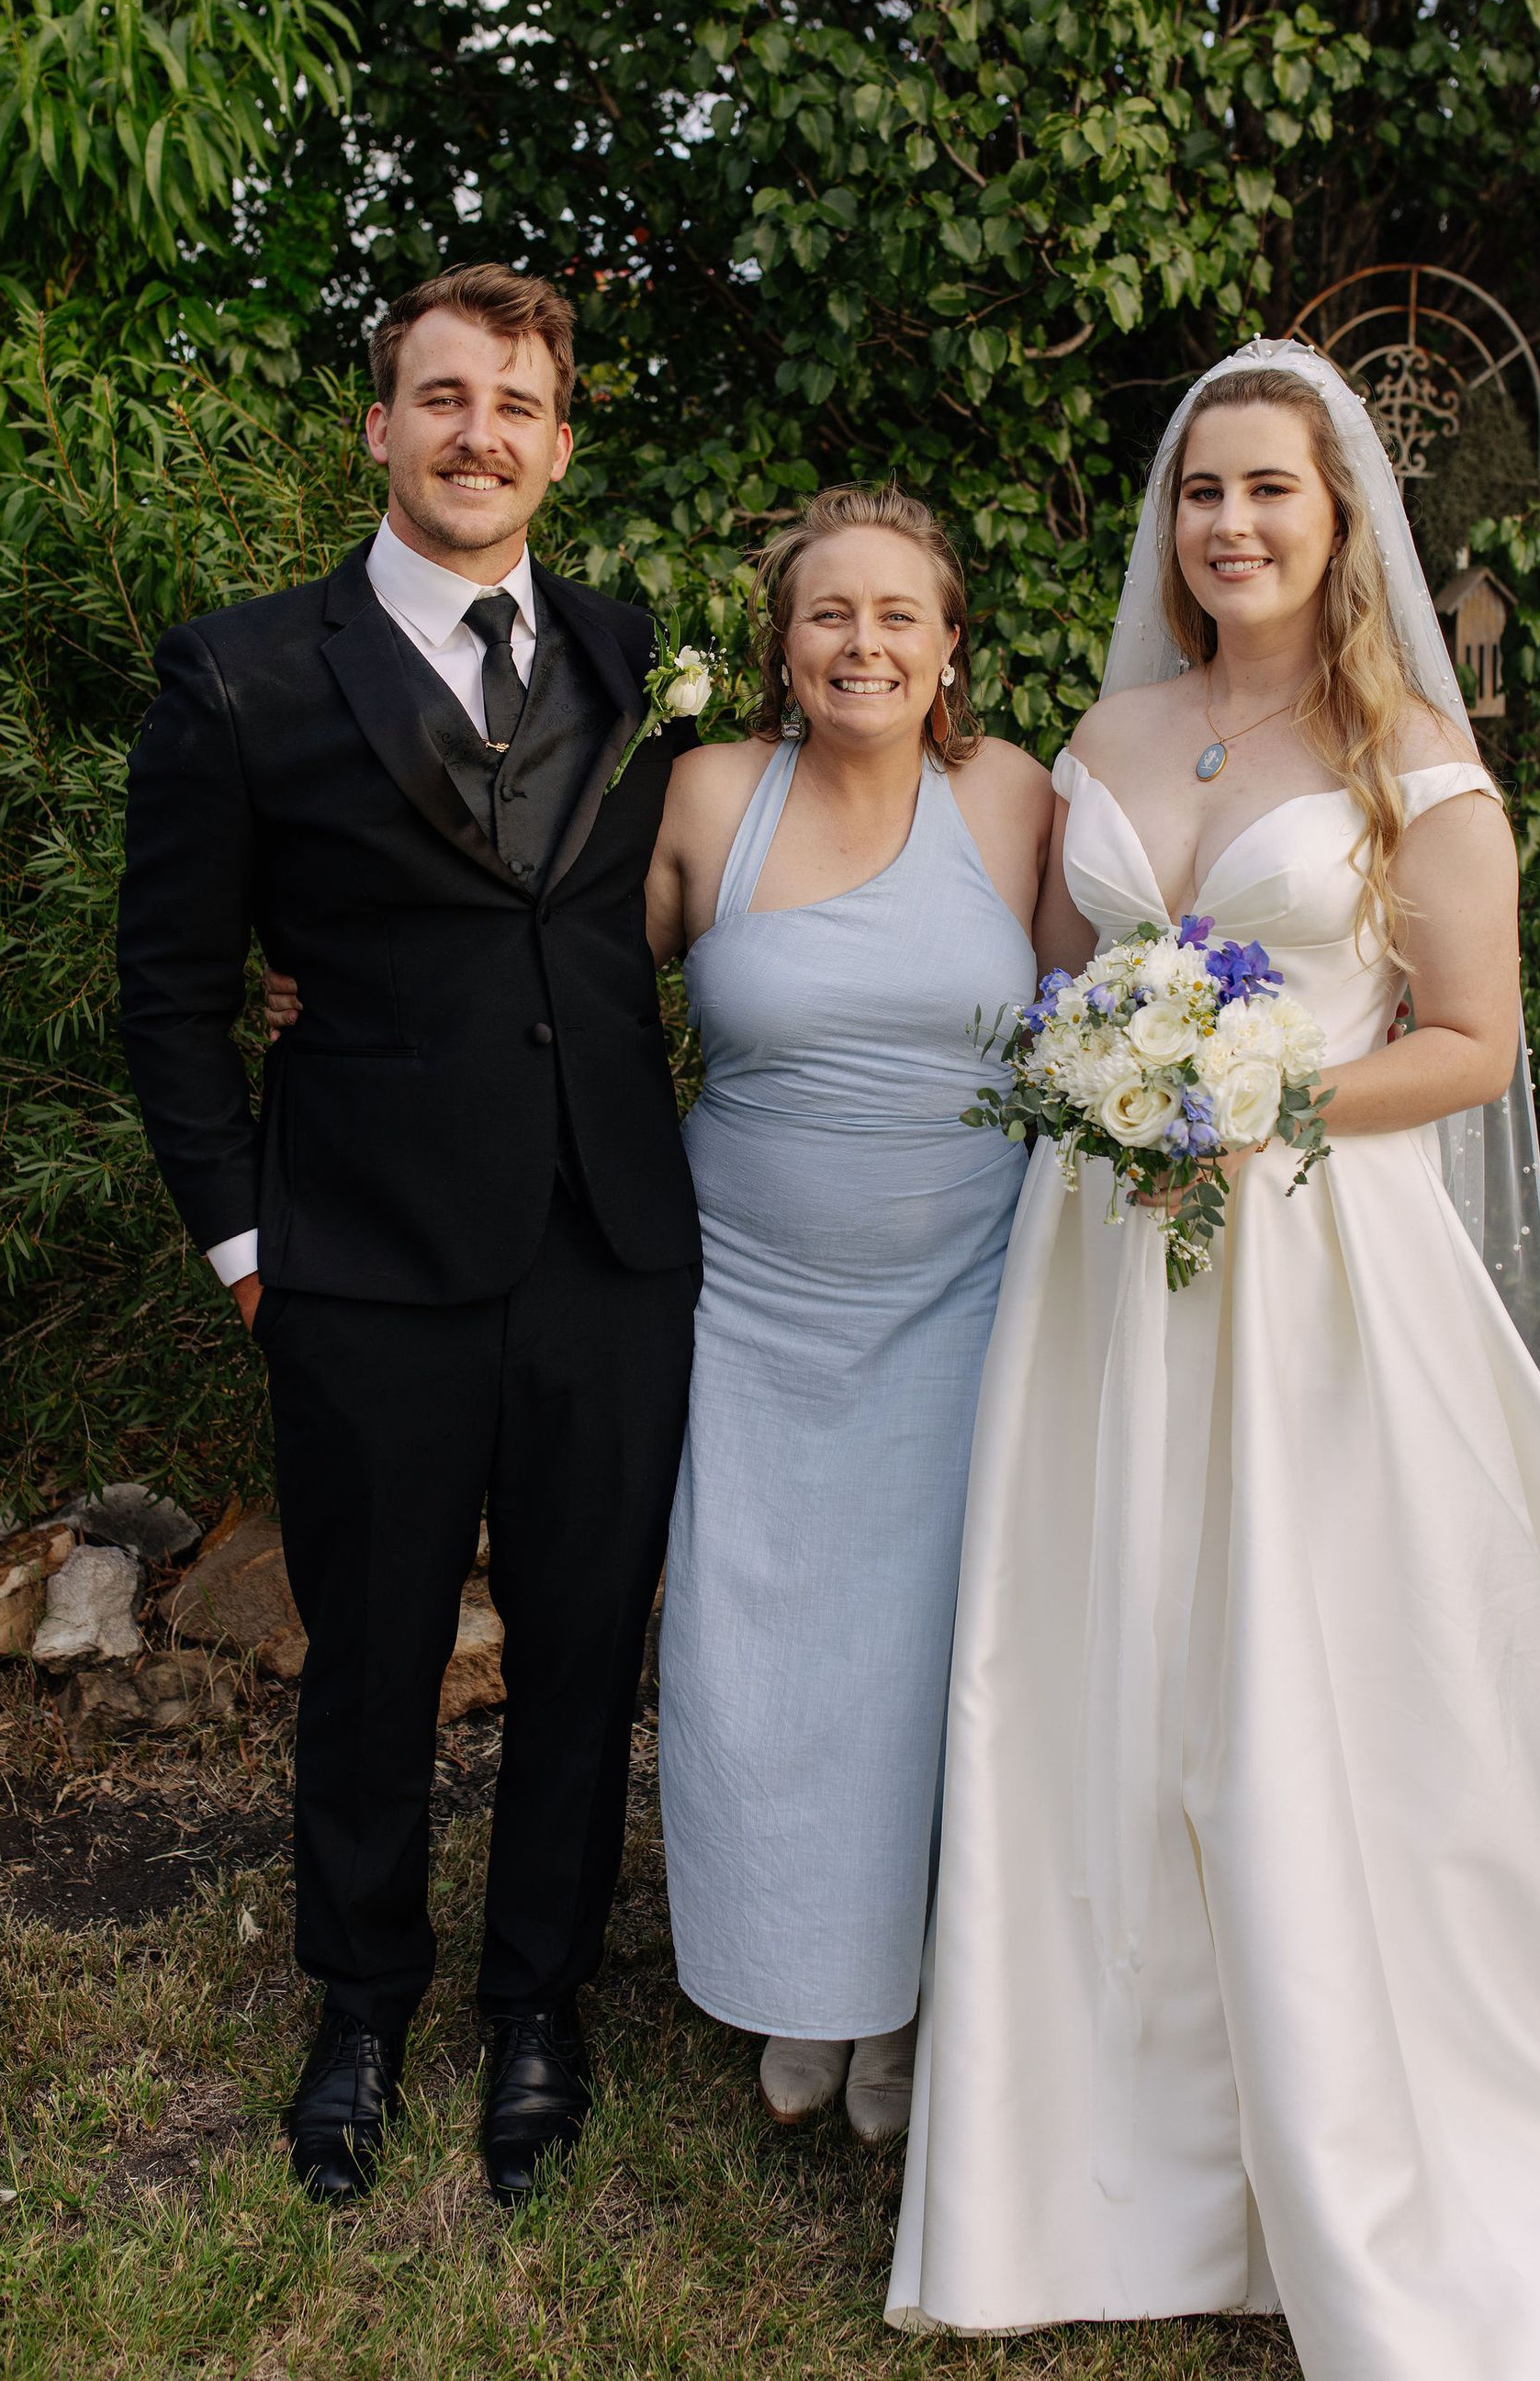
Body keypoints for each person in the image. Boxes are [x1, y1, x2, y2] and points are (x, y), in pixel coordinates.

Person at [886, 342, 1540, 2372]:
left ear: (1340, 515)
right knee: (1092, 1650)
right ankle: (1074, 2125)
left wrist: (1260, 1101)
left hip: (1312, 1270)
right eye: (1203, 494)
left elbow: (1470, 1047)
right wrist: (1114, 1080)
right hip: (1098, 1274)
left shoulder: (1412, 770)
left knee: (1299, 1662)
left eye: (1271, 490)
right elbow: (1049, 988)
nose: (1233, 526)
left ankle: (1356, 2087)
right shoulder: (1111, 729)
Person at [117, 264, 702, 2206]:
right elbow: (172, 987)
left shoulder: (628, 657)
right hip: (356, 1253)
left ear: (560, 440)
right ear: (380, 429)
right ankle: (360, 2001)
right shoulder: (244, 673)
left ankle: (542, 2001)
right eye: (442, 400)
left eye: (517, 406)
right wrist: (240, 1243)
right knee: (367, 1656)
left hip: (609, 1245)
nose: (480, 436)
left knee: (583, 1644)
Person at [645, 485, 1050, 2141]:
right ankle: (797, 1979)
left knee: (929, 1658)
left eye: (899, 614)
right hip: (742, 1301)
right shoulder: (707, 794)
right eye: (830, 614)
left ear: (951, 644)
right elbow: (541, 981)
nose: (863, 641)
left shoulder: (1017, 799)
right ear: (783, 644)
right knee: (754, 1653)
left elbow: (1115, 1016)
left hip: (967, 1301)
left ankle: (906, 1999)